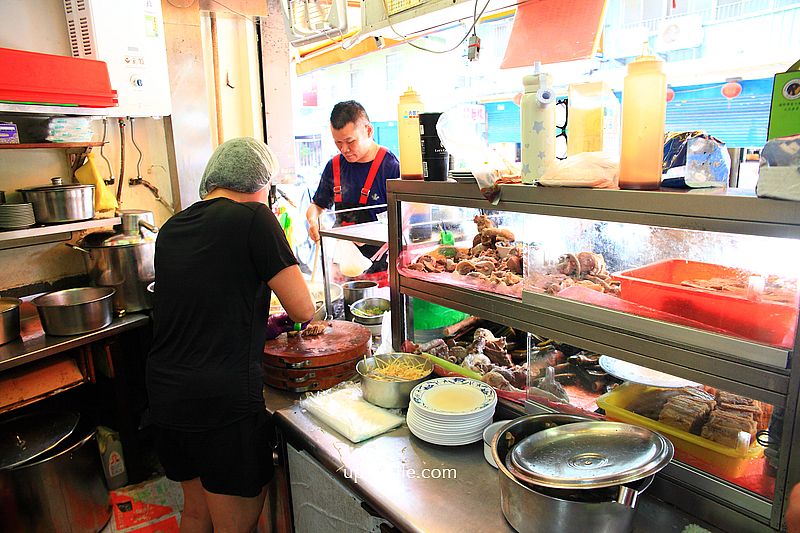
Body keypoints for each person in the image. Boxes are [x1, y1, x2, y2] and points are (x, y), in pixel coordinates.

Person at [146, 137, 315, 533]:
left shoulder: (172, 227)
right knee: (234, 527)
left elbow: (208, 298)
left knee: (195, 513)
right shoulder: (255, 218)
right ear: (261, 183)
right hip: (220, 403)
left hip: (166, 395)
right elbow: (303, 310)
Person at [305, 100, 400, 272]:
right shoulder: (334, 166)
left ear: (368, 130)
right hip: (342, 262)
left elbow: (405, 220)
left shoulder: (391, 167)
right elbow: (317, 206)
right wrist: (313, 221)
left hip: (382, 265)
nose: (344, 149)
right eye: (338, 143)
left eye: (350, 141)